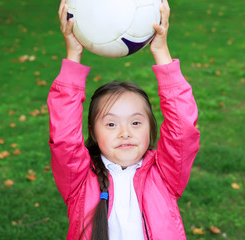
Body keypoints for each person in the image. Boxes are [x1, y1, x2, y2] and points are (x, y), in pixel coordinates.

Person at [47, 0, 200, 239]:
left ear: (151, 129)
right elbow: (64, 136)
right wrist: (73, 55)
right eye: (110, 124)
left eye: (136, 122)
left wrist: (161, 51)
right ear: (92, 133)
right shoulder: (78, 180)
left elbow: (183, 129)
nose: (124, 132)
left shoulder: (165, 175)